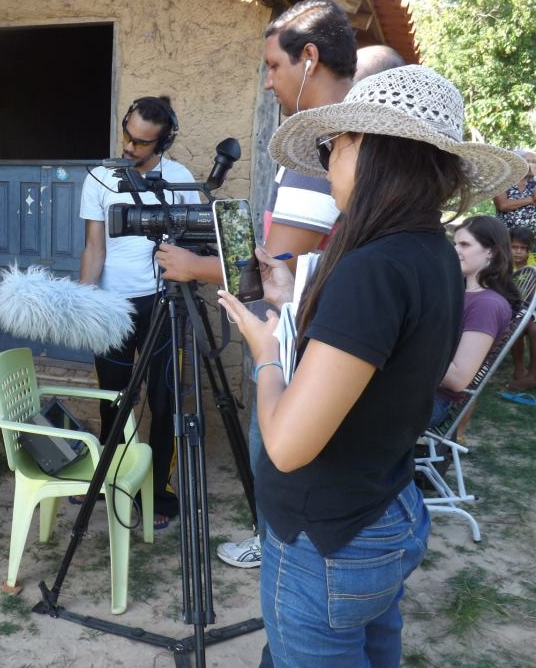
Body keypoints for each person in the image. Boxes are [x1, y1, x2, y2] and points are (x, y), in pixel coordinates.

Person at [217, 65, 526, 666]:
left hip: (327, 535)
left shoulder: (373, 266)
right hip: (385, 509)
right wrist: (292, 302)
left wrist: (264, 356)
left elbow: (285, 446)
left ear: (368, 149)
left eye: (334, 146)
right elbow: (379, 348)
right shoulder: (432, 250)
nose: (328, 160)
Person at [157, 0, 357, 571]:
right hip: (325, 337)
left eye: (273, 66)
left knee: (273, 446)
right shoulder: (340, 144)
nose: (268, 82)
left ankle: (276, 546)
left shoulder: (326, 153)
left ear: (310, 59)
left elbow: (281, 267)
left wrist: (196, 270)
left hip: (299, 341)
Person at [79, 95, 195, 528]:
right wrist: (85, 305)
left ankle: (158, 495)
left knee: (165, 401)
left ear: (162, 143)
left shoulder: (180, 179)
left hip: (164, 303)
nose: (129, 147)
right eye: (127, 134)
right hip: (111, 306)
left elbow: (190, 246)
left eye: (141, 142)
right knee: (114, 399)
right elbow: (94, 247)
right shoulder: (99, 178)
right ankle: (111, 481)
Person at [431, 216, 519, 427]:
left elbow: (458, 379)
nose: (455, 250)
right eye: (455, 243)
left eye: (465, 244)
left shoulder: (487, 305)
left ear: (491, 251)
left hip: (432, 401)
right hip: (419, 389)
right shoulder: (462, 292)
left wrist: (407, 350)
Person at [508, 226, 536, 389]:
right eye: (514, 247)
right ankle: (519, 369)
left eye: (523, 248)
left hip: (533, 309)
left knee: (534, 330)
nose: (518, 252)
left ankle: (533, 375)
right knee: (518, 325)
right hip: (513, 309)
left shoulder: (534, 263)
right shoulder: (503, 263)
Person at [493, 148, 536, 232]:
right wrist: (530, 200)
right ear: (518, 163)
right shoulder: (503, 180)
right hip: (505, 234)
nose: (531, 165)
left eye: (534, 162)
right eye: (527, 161)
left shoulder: (534, 181)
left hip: (531, 237)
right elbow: (502, 205)